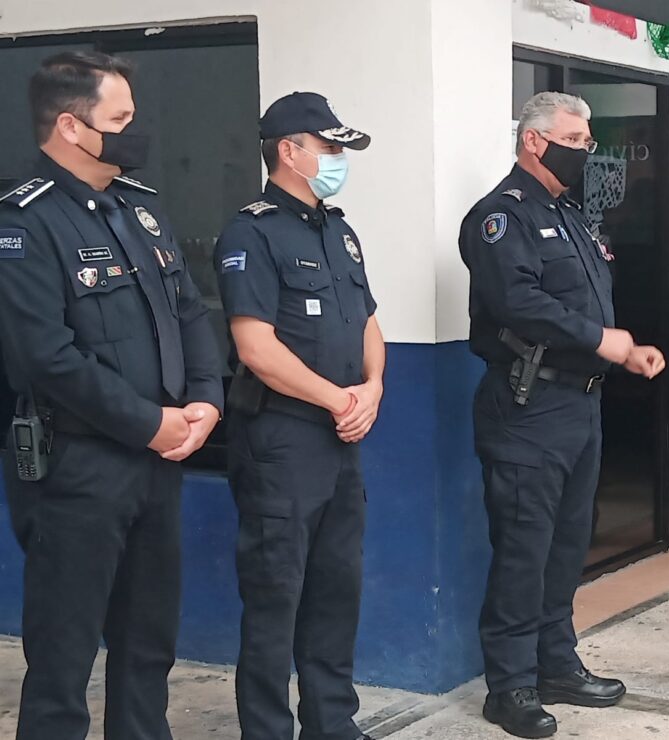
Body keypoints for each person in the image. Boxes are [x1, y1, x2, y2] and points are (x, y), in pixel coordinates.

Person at [0, 51, 223, 739]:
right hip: (79, 469)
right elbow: (46, 357)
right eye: (119, 119)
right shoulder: (24, 223)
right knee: (64, 657)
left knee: (148, 646)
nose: (135, 132)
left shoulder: (141, 211)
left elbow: (190, 313)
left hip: (160, 461)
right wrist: (147, 423)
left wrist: (207, 399)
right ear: (71, 126)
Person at [459, 91, 665, 739]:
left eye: (587, 141)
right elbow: (516, 300)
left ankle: (555, 663)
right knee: (525, 548)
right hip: (528, 406)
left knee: (568, 544)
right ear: (534, 141)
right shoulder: (501, 217)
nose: (585, 151)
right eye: (575, 139)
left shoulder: (570, 216)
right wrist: (602, 340)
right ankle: (511, 685)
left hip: (580, 404)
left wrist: (615, 350)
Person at [214, 92, 383, 740]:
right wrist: (339, 399)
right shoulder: (250, 233)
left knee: (336, 593)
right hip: (282, 439)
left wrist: (372, 388)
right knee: (275, 601)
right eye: (331, 147)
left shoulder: (339, 230)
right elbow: (257, 349)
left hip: (341, 439)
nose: (338, 159)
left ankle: (332, 725)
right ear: (291, 151)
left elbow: (368, 321)